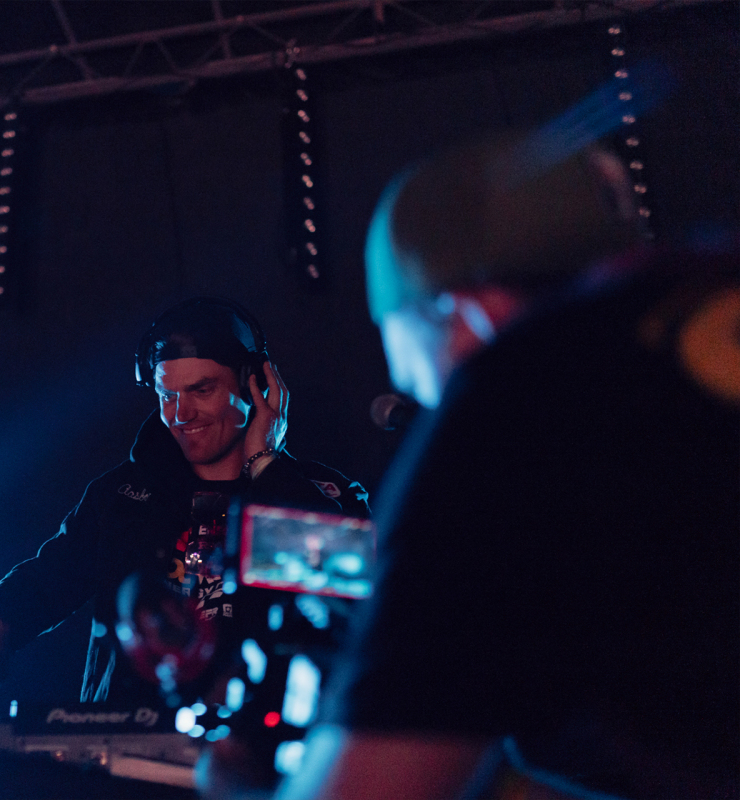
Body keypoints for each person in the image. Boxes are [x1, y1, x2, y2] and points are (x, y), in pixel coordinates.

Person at [277, 134, 739, 799]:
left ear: (466, 315)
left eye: (421, 389)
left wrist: (239, 782)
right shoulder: (704, 293)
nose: (431, 413)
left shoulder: (513, 389)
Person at [0, 298, 369, 715]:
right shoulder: (120, 496)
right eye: (166, 394)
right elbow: (45, 582)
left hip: (263, 751)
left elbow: (355, 600)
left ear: (256, 385)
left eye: (201, 390)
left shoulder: (322, 494)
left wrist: (266, 468)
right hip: (124, 751)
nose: (180, 413)